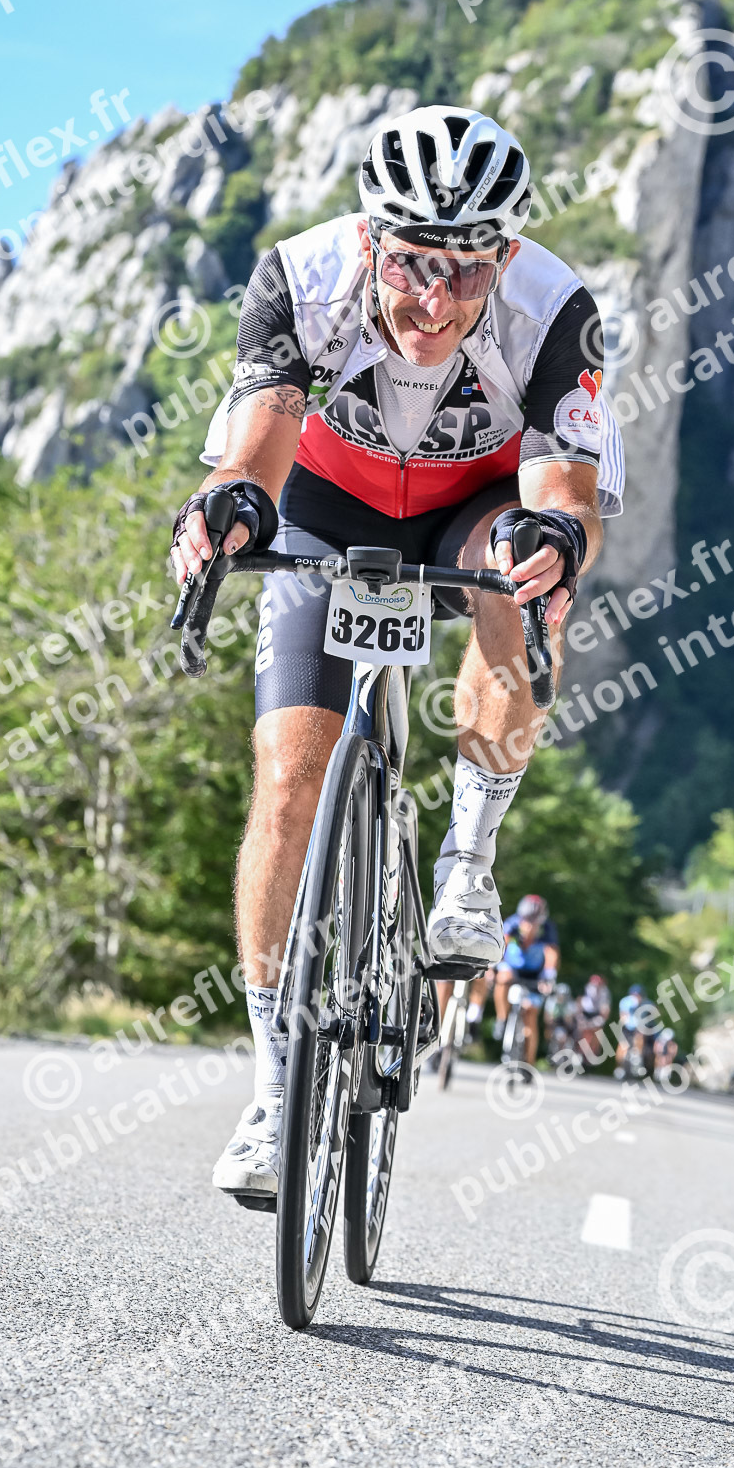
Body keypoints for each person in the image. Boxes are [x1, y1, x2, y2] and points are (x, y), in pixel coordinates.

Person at [171, 103, 625, 1197]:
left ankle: (467, 862)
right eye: (415, 263)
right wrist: (231, 505)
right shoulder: (302, 279)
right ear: (372, 239)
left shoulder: (553, 306)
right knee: (288, 782)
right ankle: (275, 1087)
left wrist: (557, 539)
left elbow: (565, 484)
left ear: (503, 257)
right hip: (327, 506)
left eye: (467, 272)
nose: (436, 300)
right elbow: (261, 439)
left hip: (476, 508)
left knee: (520, 565)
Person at [493, 905, 554, 1065]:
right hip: (513, 969)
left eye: (534, 922)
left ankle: (528, 1062)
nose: (529, 926)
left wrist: (549, 977)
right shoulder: (512, 923)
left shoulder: (548, 929)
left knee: (530, 1014)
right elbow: (502, 944)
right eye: (526, 921)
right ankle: (502, 1018)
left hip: (535, 975)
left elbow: (552, 954)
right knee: (503, 979)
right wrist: (496, 967)